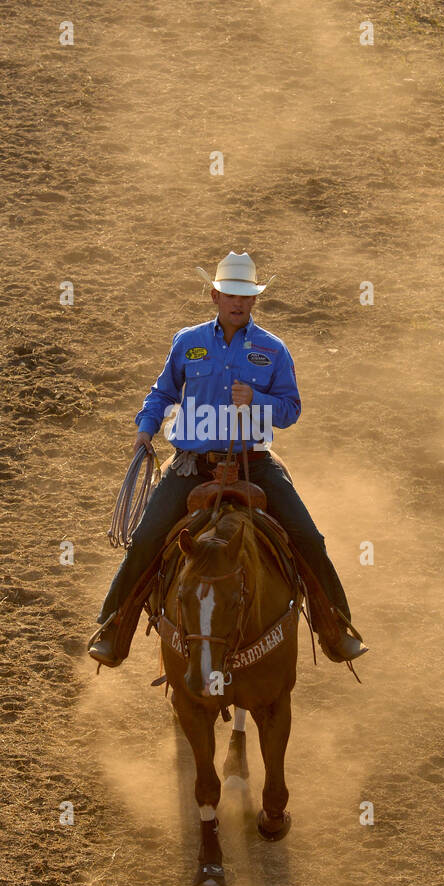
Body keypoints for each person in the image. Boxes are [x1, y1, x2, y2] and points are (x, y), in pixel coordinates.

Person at [88, 251, 365, 666]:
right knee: (145, 539)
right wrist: (146, 428)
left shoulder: (273, 350)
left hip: (254, 461)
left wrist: (258, 399)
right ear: (215, 296)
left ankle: (335, 628)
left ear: (254, 301)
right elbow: (163, 392)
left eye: (246, 296)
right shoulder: (188, 342)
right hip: (191, 463)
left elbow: (291, 410)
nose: (238, 303)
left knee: (309, 538)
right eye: (230, 295)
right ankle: (113, 628)